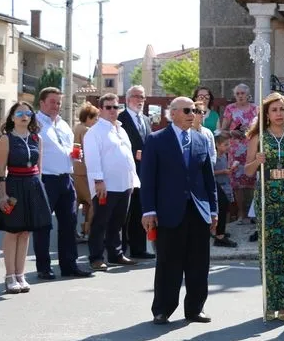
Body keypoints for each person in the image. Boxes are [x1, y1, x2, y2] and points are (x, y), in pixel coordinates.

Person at [141, 97, 218, 325]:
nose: (191, 113)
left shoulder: (201, 139)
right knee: (168, 262)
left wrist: (213, 210)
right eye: (187, 110)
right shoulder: (156, 140)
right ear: (172, 113)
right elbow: (148, 178)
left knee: (198, 262)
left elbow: (208, 179)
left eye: (194, 110)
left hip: (198, 209)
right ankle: (163, 309)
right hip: (168, 211)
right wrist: (148, 211)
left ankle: (195, 308)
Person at [242, 93, 284, 320]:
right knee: (270, 251)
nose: (279, 114)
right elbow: (248, 171)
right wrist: (257, 161)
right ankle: (270, 302)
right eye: (274, 110)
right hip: (268, 196)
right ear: (267, 114)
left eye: (282, 110)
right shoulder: (258, 138)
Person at [0, 102, 52, 293]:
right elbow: (1, 171)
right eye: (19, 113)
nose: (24, 116)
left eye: (27, 113)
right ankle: (9, 276)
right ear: (12, 117)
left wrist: (38, 190)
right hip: (14, 186)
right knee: (13, 231)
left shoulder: (36, 138)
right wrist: (3, 195)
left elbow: (39, 169)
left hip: (33, 186)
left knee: (25, 232)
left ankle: (20, 274)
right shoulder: (6, 139)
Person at [33, 87, 93, 279]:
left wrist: (76, 155)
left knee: (69, 223)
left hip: (66, 178)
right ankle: (44, 267)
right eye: (52, 102)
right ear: (41, 102)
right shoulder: (35, 124)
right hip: (46, 179)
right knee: (43, 225)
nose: (56, 106)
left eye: (59, 102)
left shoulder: (64, 125)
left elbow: (68, 149)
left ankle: (69, 265)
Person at [84, 93, 140, 272]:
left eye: (116, 107)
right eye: (108, 107)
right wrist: (98, 181)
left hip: (124, 183)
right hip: (106, 185)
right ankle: (96, 257)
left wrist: (132, 180)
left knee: (118, 222)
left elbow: (128, 157)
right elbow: (92, 158)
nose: (112, 111)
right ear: (100, 109)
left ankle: (116, 254)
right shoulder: (94, 132)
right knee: (100, 222)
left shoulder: (121, 129)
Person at [118, 85, 156, 260]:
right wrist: (134, 154)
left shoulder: (147, 120)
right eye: (136, 96)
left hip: (144, 172)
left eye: (142, 97)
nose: (140, 100)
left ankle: (138, 248)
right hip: (127, 171)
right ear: (127, 99)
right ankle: (121, 249)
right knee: (126, 212)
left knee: (141, 209)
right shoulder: (121, 119)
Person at [221, 83, 258, 222]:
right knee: (237, 183)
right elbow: (223, 130)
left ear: (248, 94)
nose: (240, 96)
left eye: (243, 93)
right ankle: (242, 214)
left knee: (254, 180)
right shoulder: (230, 109)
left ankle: (254, 213)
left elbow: (261, 127)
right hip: (235, 150)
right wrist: (232, 132)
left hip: (252, 148)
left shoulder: (255, 108)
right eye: (238, 94)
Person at [73, 102, 99, 241]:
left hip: (76, 170)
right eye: (95, 118)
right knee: (93, 202)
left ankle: (76, 231)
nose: (96, 121)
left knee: (76, 204)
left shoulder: (77, 127)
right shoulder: (87, 131)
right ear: (88, 117)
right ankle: (88, 230)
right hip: (85, 171)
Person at [212, 132, 237, 247]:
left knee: (225, 207)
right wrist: (223, 172)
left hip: (225, 184)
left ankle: (220, 231)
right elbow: (211, 172)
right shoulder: (214, 156)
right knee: (220, 206)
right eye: (225, 144)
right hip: (217, 184)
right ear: (217, 145)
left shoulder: (224, 156)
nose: (228, 147)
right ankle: (218, 234)